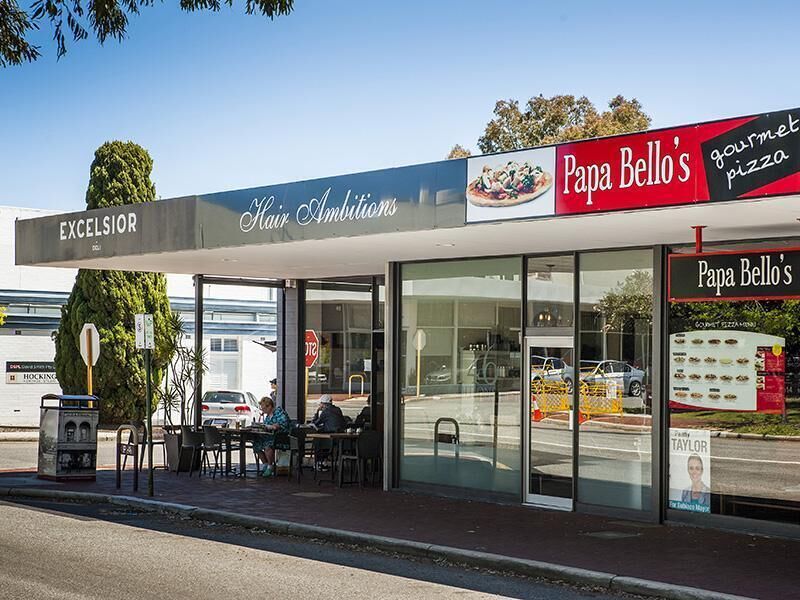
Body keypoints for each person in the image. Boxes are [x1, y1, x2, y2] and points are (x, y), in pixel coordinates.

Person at [253, 396, 290, 477]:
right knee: (256, 444)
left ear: (269, 406)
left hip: (281, 437)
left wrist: (271, 426)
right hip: (270, 436)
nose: (263, 410)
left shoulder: (279, 412)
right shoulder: (268, 415)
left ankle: (270, 466)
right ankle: (266, 464)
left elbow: (282, 424)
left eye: (264, 409)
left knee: (267, 445)